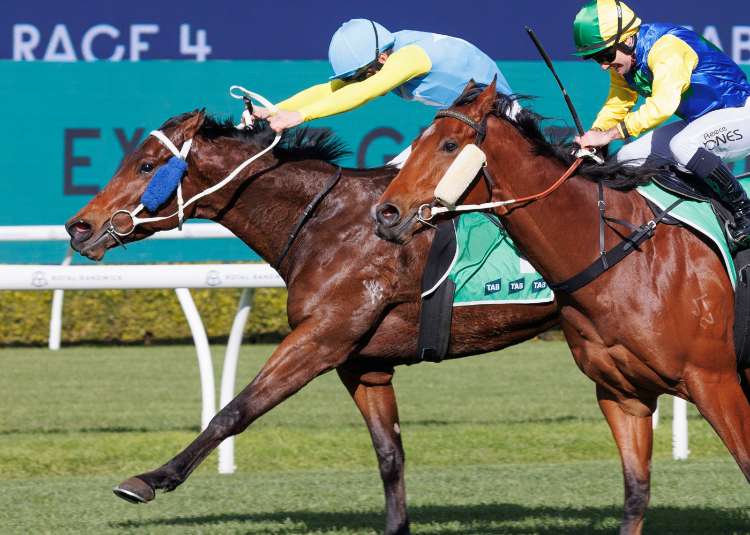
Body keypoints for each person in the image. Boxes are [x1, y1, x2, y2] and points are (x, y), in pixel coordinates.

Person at [571, 0, 750, 244]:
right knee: (626, 159)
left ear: (628, 39)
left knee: (682, 145)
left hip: (741, 114)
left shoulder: (666, 48)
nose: (603, 65)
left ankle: (745, 212)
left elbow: (663, 105)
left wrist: (610, 134)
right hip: (705, 121)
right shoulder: (625, 61)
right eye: (595, 58)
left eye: (605, 55)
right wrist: (595, 133)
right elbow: (619, 102)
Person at [252, 18, 514, 166]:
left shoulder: (410, 57)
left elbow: (366, 90)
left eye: (362, 73)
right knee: (394, 178)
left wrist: (300, 116)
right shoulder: (383, 52)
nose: (358, 80)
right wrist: (274, 110)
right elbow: (331, 89)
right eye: (355, 76)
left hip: (502, 121)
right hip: (466, 123)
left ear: (383, 58)